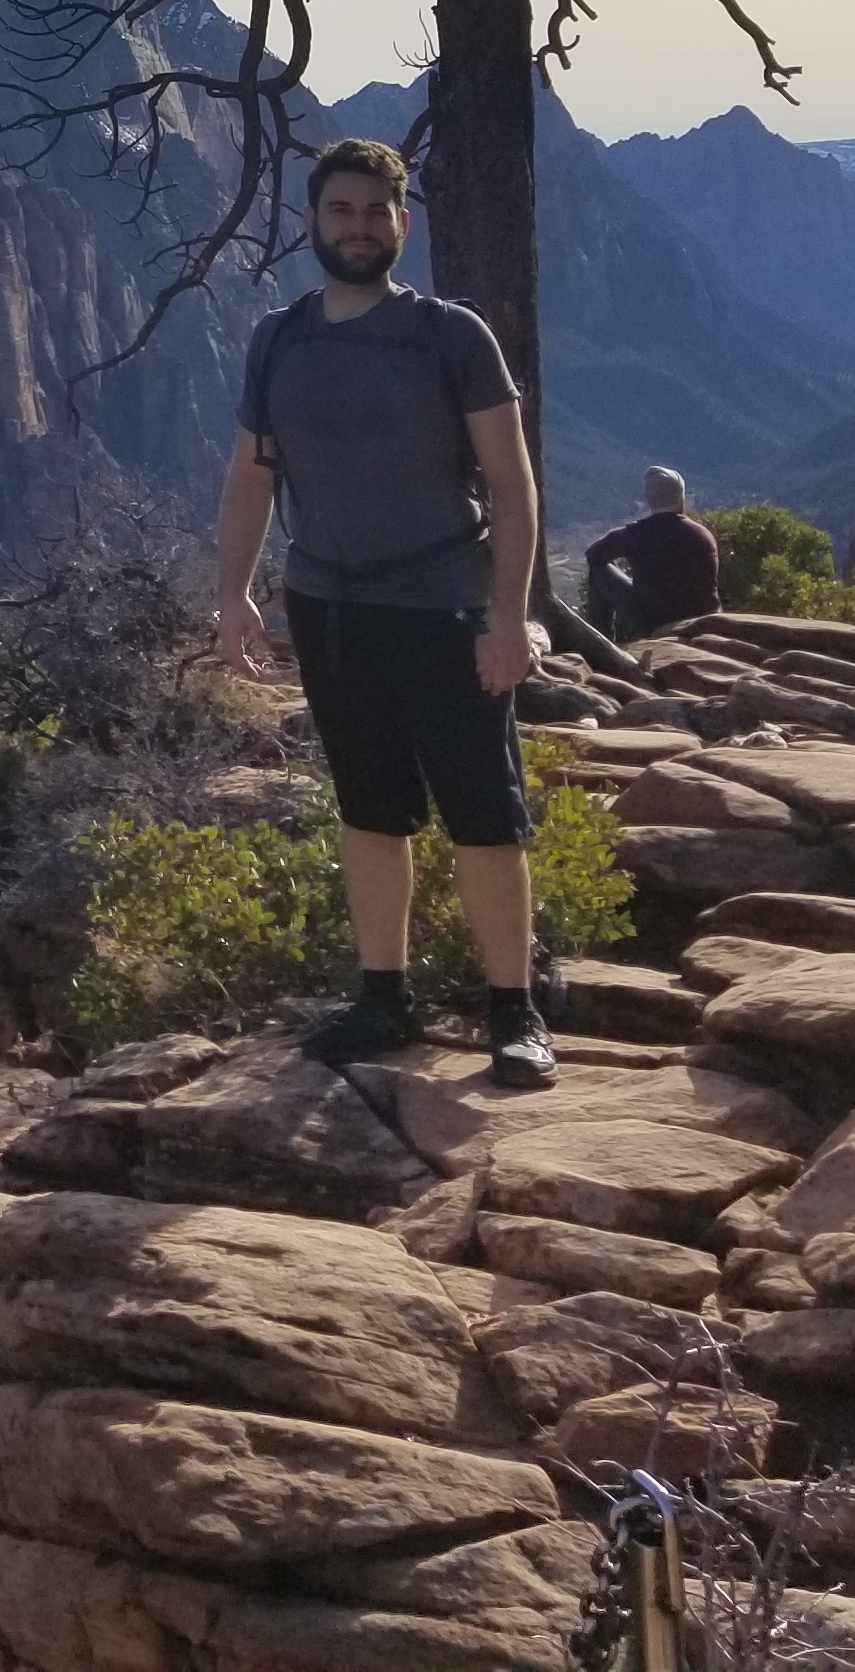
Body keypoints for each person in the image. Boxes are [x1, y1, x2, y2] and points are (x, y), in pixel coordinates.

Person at [213, 137, 558, 1085]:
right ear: (312, 224)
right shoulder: (280, 338)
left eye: (377, 213)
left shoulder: (450, 335)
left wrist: (506, 616)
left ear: (402, 224)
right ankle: (382, 996)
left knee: (484, 813)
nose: (359, 228)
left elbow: (512, 483)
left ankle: (512, 1009)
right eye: (341, 212)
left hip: (445, 606)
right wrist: (234, 592)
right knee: (370, 811)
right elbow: (251, 474)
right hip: (328, 608)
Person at [585, 466, 723, 641]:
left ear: (650, 500)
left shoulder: (635, 534)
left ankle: (601, 643)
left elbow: (593, 555)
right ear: (681, 497)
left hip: (656, 623)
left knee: (598, 571)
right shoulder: (702, 534)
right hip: (704, 620)